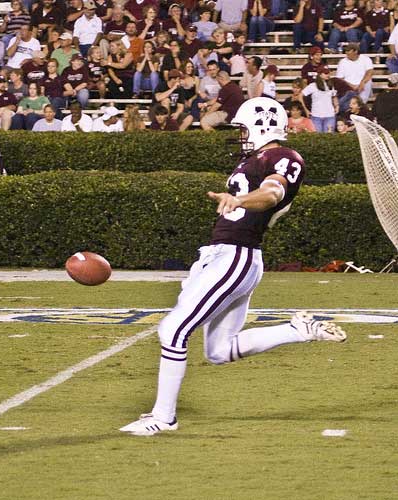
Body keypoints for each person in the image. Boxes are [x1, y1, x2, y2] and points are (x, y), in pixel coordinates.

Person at [119, 96, 347, 436]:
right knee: (218, 351)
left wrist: (239, 199)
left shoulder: (282, 156)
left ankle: (163, 418)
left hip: (236, 255)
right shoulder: (256, 158)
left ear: (262, 125)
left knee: (173, 330)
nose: (240, 135)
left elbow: (272, 193)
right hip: (229, 256)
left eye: (243, 128)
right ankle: (297, 330)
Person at [301, 65, 339, 132]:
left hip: (330, 115)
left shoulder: (330, 85)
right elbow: (300, 96)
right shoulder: (313, 85)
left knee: (329, 138)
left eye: (328, 73)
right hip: (316, 115)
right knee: (318, 138)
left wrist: (337, 106)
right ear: (320, 74)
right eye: (325, 73)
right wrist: (306, 109)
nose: (328, 75)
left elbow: (334, 96)